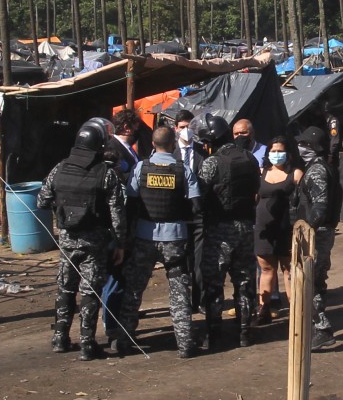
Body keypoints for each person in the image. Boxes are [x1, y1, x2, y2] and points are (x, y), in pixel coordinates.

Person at [37, 123, 128, 360]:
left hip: (67, 240)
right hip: (94, 242)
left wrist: (63, 207)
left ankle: (60, 337)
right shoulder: (105, 173)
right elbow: (117, 213)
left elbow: (42, 200)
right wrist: (120, 243)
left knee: (65, 288)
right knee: (90, 291)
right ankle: (87, 343)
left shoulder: (60, 168)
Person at [114, 124, 197, 359]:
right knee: (179, 291)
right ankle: (185, 344)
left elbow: (130, 203)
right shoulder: (183, 170)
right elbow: (196, 205)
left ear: (153, 144)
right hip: (175, 238)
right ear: (173, 144)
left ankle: (124, 341)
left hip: (144, 237)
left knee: (134, 289)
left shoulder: (141, 168)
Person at [195, 114, 261, 349]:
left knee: (214, 283)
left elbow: (199, 196)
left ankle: (213, 334)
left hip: (220, 230)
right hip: (245, 227)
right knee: (244, 281)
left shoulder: (212, 162)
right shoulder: (249, 158)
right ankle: (244, 332)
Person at [295, 124, 339, 345]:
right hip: (321, 232)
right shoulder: (320, 167)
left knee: (310, 281)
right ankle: (317, 326)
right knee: (317, 281)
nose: (300, 147)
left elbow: (320, 207)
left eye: (304, 144)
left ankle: (322, 328)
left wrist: (305, 229)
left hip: (316, 235)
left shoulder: (317, 170)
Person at [253, 138, 302, 325]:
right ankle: (263, 310)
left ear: (288, 153)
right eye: (272, 151)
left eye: (279, 151)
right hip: (264, 230)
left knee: (289, 271)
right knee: (266, 269)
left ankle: (295, 312)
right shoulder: (261, 173)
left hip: (286, 230)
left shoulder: (295, 174)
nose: (276, 154)